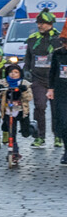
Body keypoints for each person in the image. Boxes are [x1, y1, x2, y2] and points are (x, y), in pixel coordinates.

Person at [23, 12, 61, 149]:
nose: (40, 25)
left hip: (55, 80)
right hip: (38, 79)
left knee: (57, 109)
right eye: (38, 23)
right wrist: (26, 71)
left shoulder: (59, 38)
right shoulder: (32, 39)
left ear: (50, 24)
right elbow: (27, 57)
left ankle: (58, 136)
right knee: (39, 107)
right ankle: (40, 136)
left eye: (42, 23)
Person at [0, 61, 30, 169]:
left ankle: (33, 128)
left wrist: (23, 91)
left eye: (16, 72)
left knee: (26, 132)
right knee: (11, 132)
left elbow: (29, 97)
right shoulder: (4, 82)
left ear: (20, 73)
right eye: (11, 72)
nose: (13, 74)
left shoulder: (24, 83)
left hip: (21, 111)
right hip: (8, 111)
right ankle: (14, 152)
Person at [50, 34, 67, 164]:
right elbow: (53, 71)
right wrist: (51, 88)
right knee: (64, 121)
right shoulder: (57, 54)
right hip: (61, 91)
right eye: (64, 43)